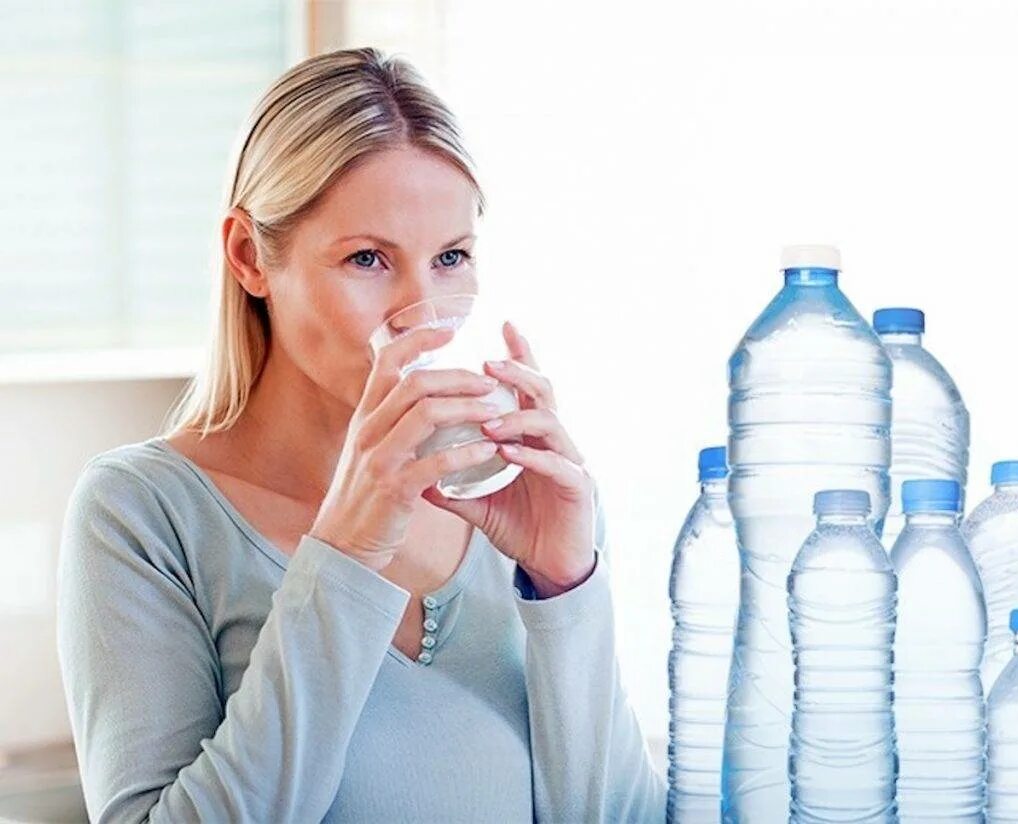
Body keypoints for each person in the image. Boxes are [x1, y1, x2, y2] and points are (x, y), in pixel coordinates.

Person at [56, 46, 666, 823]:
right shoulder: (141, 516)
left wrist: (565, 588)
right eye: (368, 258)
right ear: (249, 257)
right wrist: (344, 557)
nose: (426, 311)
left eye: (451, 257)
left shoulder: (519, 505)